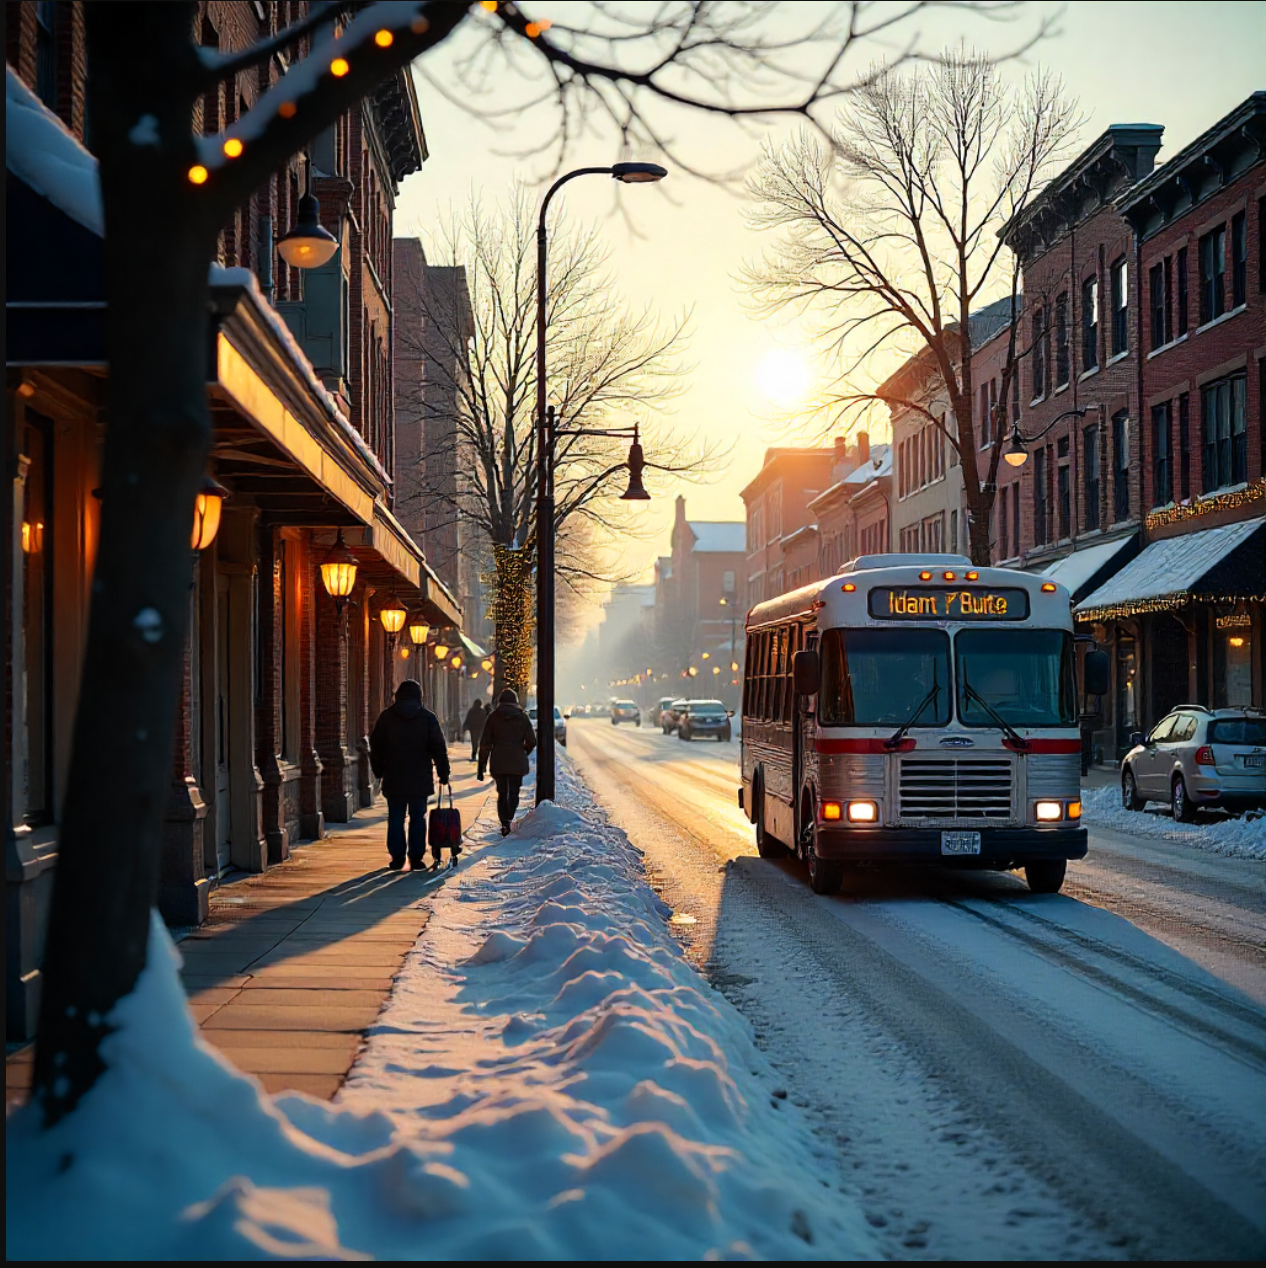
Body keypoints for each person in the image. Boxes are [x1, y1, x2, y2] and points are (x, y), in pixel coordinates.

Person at [369, 679, 451, 870]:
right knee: (418, 817)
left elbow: (376, 747)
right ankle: (416, 857)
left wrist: (378, 770)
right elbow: (438, 747)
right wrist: (443, 772)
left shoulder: (387, 717)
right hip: (419, 777)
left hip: (394, 776)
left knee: (396, 817)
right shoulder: (427, 718)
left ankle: (397, 857)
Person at [478, 687, 536, 836]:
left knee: (502, 792)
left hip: (499, 760)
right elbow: (531, 740)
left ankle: (504, 822)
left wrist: (482, 765)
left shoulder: (493, 717)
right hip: (517, 759)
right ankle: (509, 817)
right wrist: (523, 751)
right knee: (514, 792)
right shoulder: (522, 717)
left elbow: (485, 743)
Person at [462, 697, 488, 763]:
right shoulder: (482, 712)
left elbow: (467, 719)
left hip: (473, 729)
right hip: (480, 729)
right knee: (479, 742)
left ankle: (474, 754)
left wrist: (465, 727)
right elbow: (485, 721)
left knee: (474, 742)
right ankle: (478, 754)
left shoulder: (471, 711)